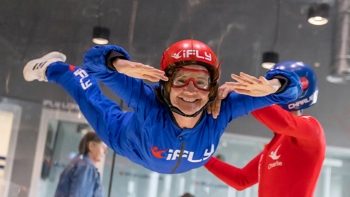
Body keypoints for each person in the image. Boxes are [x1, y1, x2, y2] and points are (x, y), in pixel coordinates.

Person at [23, 39, 301, 174]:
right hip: (125, 139)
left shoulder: (221, 108)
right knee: (84, 89)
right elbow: (94, 63)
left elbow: (295, 89)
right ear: (166, 85)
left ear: (213, 87)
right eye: (181, 80)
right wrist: (119, 63)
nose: (191, 91)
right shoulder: (148, 100)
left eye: (201, 82)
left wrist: (274, 86)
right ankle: (53, 67)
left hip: (160, 155)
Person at [204, 61, 326, 197]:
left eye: (275, 86)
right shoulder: (275, 144)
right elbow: (240, 180)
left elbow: (284, 122)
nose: (266, 92)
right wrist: (202, 155)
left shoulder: (313, 129)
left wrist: (246, 92)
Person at [54, 131, 107, 197]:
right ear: (91, 146)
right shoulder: (86, 167)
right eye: (103, 148)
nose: (105, 153)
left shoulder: (77, 163)